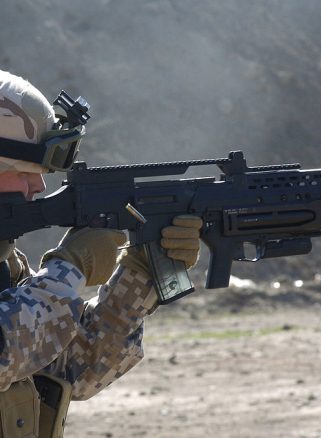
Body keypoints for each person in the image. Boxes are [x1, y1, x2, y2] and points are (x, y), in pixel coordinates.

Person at [0, 70, 202, 438]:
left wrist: (142, 270)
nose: (38, 185)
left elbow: (77, 368)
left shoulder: (6, 265)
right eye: (25, 170)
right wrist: (68, 270)